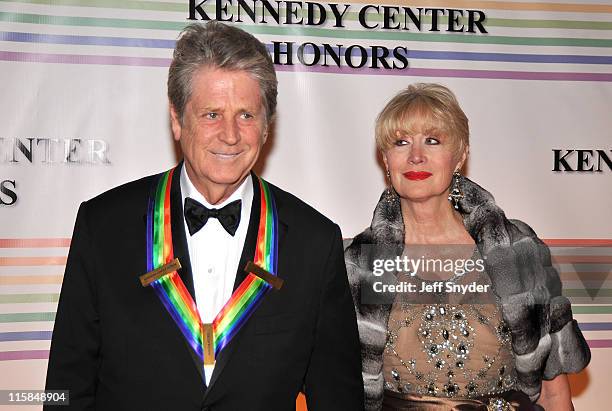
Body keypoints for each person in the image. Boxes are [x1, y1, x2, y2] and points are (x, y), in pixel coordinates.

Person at [45, 21, 363, 411]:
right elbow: (65, 389)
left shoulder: (315, 242)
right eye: (212, 114)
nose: (230, 135)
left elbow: (338, 398)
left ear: (267, 126)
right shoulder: (104, 226)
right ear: (177, 120)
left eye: (246, 115)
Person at [345, 83, 590, 410]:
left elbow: (554, 392)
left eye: (432, 140)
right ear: (386, 161)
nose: (416, 156)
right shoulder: (360, 264)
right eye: (401, 142)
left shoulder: (516, 250)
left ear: (460, 155)